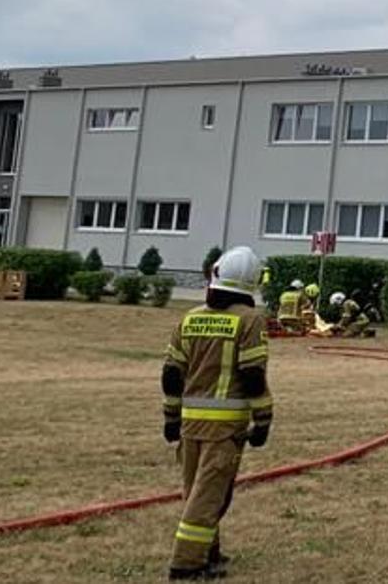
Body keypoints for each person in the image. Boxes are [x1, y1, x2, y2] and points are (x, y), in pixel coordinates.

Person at [162, 246, 273, 580]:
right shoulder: (249, 320)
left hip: (190, 424)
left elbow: (171, 373)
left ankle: (209, 553)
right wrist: (263, 419)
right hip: (225, 429)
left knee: (196, 492)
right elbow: (253, 376)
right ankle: (186, 564)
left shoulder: (190, 318)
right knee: (209, 496)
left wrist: (170, 416)